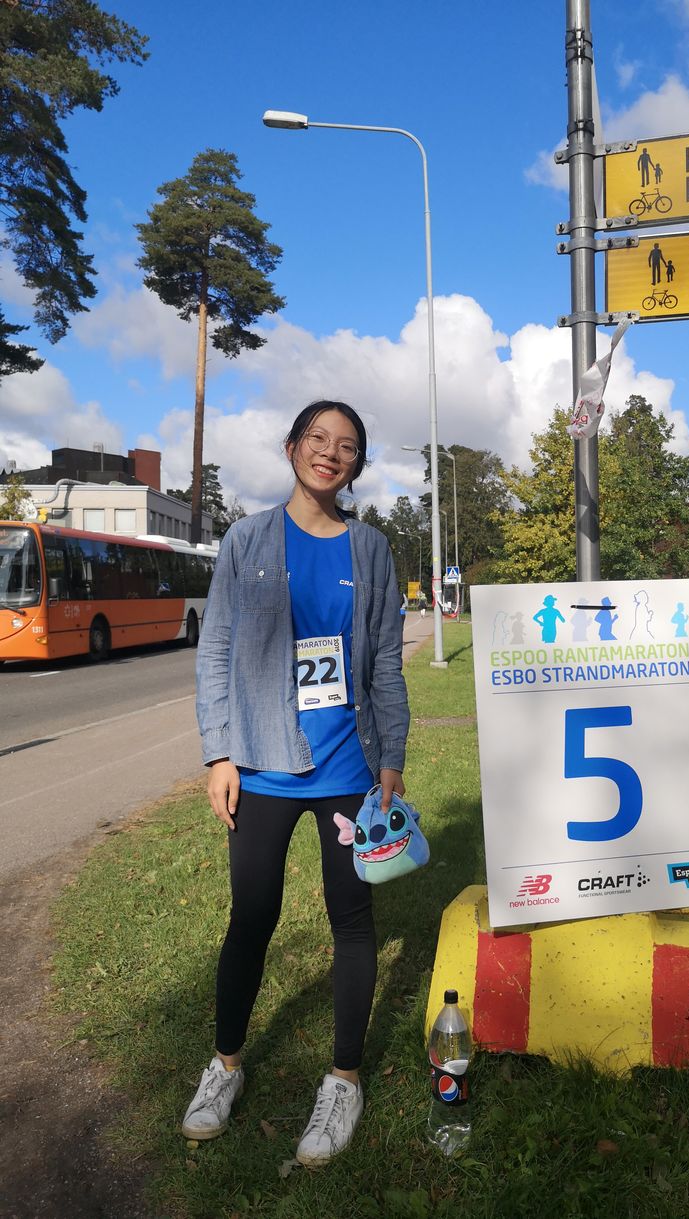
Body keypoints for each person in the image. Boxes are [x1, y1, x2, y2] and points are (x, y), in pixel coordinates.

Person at [184, 399, 409, 1165]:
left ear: (355, 464)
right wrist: (219, 753)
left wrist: (393, 757)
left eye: (347, 445)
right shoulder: (246, 540)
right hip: (263, 761)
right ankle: (224, 1067)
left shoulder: (372, 548)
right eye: (318, 438)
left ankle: (343, 1078)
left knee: (352, 918)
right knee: (252, 915)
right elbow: (214, 653)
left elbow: (383, 659)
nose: (330, 452)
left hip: (349, 766)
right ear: (291, 448)